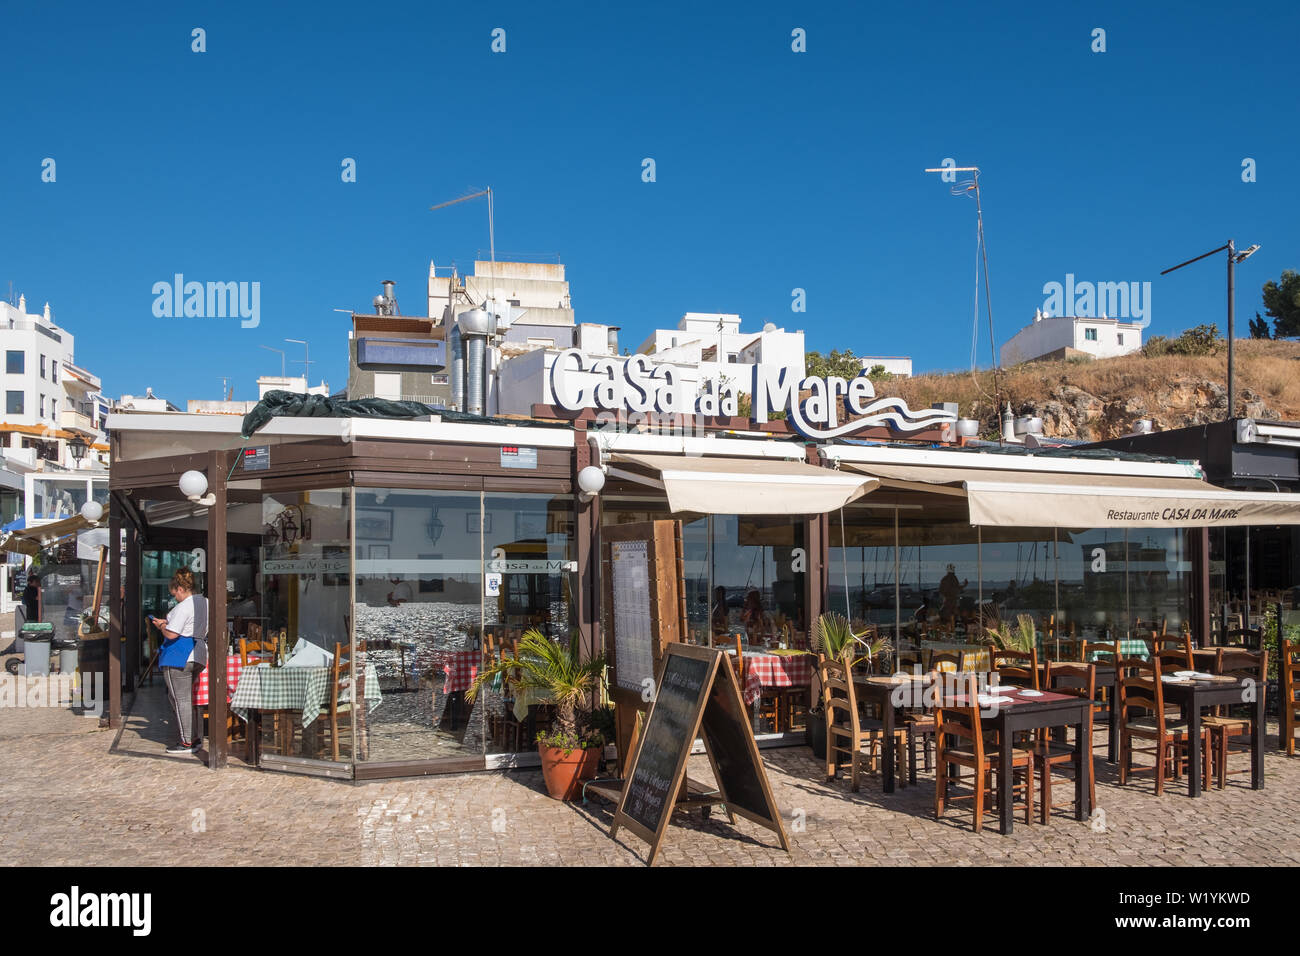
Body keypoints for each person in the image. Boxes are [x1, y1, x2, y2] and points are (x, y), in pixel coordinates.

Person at [148, 569, 209, 755]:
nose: (174, 597)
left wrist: (161, 625)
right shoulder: (205, 602)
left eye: (175, 593)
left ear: (181, 588)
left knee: (179, 698)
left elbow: (172, 633)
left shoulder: (183, 607)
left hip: (179, 655)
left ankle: (187, 741)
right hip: (199, 653)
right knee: (188, 698)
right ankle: (195, 736)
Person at [938, 564, 968, 628]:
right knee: (946, 618)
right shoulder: (949, 579)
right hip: (949, 602)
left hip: (952, 602)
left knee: (953, 617)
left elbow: (956, 588)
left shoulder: (948, 579)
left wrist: (963, 585)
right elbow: (943, 590)